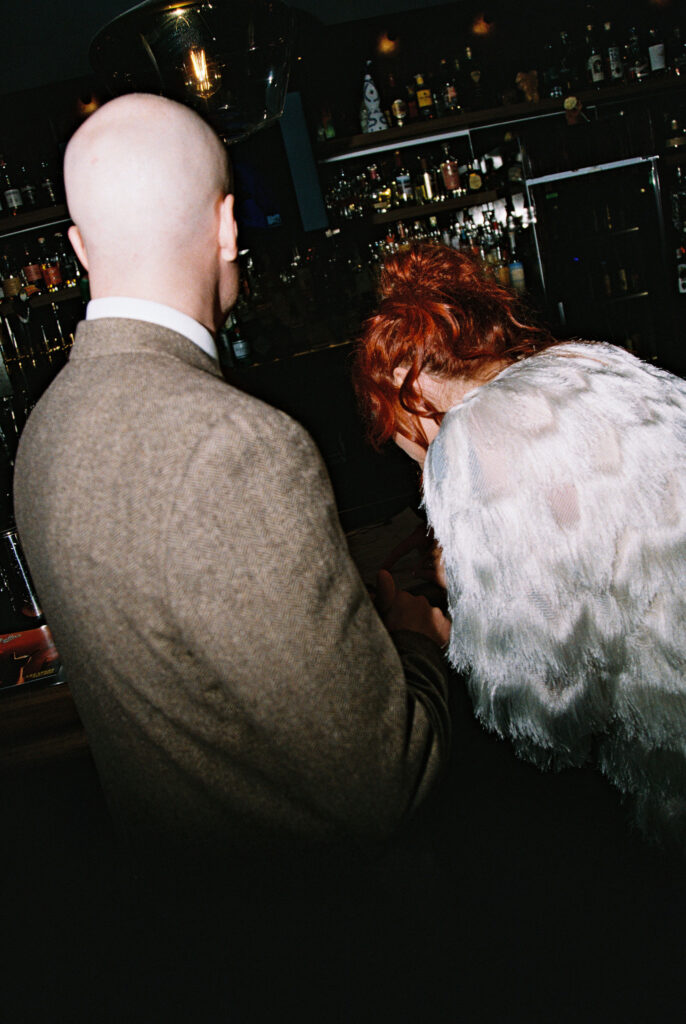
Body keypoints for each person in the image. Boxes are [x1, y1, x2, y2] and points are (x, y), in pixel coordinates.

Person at [12, 95, 453, 866]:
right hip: (305, 933)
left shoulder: (45, 428)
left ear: (81, 248)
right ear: (228, 226)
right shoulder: (237, 445)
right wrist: (416, 644)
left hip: (183, 923)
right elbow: (385, 782)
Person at [353, 240, 686, 845]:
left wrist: (440, 633)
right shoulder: (584, 367)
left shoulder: (473, 441)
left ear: (408, 398)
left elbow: (545, 715)